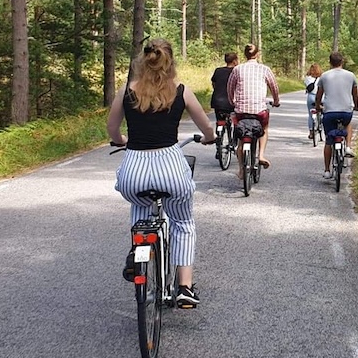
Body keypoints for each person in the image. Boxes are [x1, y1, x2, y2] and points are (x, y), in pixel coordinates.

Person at [107, 39, 216, 309]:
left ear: (143, 62)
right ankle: (185, 287)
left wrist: (121, 139)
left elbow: (112, 128)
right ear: (171, 63)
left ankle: (138, 252)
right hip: (170, 167)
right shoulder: (181, 91)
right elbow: (207, 128)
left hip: (134, 171)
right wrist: (209, 138)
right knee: (182, 223)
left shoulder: (126, 91)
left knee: (140, 205)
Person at [226, 42, 281, 173]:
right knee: (264, 128)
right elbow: (274, 87)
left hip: (241, 111)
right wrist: (276, 100)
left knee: (240, 141)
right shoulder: (264, 69)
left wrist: (232, 102)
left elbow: (230, 88)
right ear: (257, 54)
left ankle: (240, 170)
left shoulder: (237, 69)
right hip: (259, 110)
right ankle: (261, 155)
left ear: (245, 55)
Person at [314, 51, 358, 179]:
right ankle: (348, 147)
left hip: (329, 112)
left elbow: (319, 95)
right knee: (348, 123)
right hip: (346, 112)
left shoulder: (324, 76)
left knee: (329, 140)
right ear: (342, 62)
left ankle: (327, 170)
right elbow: (355, 94)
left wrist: (318, 106)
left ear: (330, 62)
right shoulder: (351, 75)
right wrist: (356, 106)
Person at [210, 51, 239, 150]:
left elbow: (214, 83)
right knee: (236, 122)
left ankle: (218, 143)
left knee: (220, 121)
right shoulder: (237, 71)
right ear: (235, 61)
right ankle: (234, 142)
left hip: (217, 101)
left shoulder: (218, 70)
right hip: (232, 102)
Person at [304, 63, 322, 139]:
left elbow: (307, 86)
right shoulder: (322, 78)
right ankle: (320, 127)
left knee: (311, 115)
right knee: (322, 112)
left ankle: (311, 132)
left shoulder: (307, 78)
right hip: (320, 97)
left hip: (310, 97)